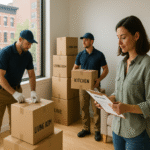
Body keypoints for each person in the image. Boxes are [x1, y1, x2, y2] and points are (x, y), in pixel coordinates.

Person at [95, 16, 150, 149]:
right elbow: (119, 92)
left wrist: (127, 108)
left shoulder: (147, 65)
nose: (119, 42)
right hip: (117, 129)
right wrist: (108, 99)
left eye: (123, 37)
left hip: (136, 133)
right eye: (117, 37)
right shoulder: (121, 64)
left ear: (136, 36)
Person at [0, 29, 40, 133]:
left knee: (16, 125)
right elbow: (0, 77)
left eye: (31, 44)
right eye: (27, 43)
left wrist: (33, 91)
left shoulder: (28, 55)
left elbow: (31, 75)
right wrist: (14, 93)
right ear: (20, 39)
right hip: (2, 93)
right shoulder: (5, 53)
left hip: (17, 91)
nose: (29, 46)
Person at [72, 33, 109, 141]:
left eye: (86, 40)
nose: (83, 42)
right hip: (82, 86)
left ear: (92, 41)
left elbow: (106, 69)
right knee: (84, 107)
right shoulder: (80, 55)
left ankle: (97, 130)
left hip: (95, 86)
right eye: (83, 40)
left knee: (96, 109)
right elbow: (74, 68)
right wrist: (77, 75)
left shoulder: (99, 54)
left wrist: (99, 80)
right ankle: (86, 128)